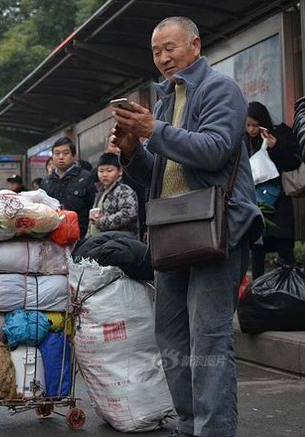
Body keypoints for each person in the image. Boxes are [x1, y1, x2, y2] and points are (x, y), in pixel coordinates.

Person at [109, 16, 262, 437]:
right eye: (156, 51)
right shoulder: (164, 100)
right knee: (172, 337)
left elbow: (213, 151)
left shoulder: (220, 89)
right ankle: (189, 425)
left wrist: (153, 130)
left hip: (216, 231)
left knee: (209, 341)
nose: (163, 58)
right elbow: (159, 175)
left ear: (195, 45)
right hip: (171, 232)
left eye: (171, 47)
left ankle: (212, 431)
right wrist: (131, 152)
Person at [246, 101, 300, 277]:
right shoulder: (241, 142)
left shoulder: (279, 134)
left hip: (279, 204)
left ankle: (292, 290)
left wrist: (275, 146)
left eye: (255, 125)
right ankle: (258, 294)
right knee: (257, 250)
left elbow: (293, 163)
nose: (252, 130)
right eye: (248, 125)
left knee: (284, 249)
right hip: (254, 204)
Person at [40, 137, 93, 238]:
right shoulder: (46, 181)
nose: (61, 157)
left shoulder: (85, 177)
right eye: (57, 153)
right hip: (52, 237)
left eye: (65, 153)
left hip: (80, 236)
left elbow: (93, 205)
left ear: (73, 156)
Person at [87, 152, 138, 237]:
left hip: (121, 242)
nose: (104, 175)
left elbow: (129, 213)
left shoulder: (124, 190)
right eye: (101, 171)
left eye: (109, 170)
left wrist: (103, 221)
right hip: (99, 241)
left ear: (120, 171)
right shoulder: (100, 192)